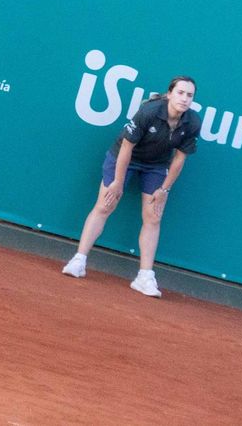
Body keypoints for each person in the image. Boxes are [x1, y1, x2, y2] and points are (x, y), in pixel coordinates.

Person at [61, 76, 200, 299]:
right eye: (181, 93)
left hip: (155, 166)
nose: (184, 99)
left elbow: (179, 160)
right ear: (170, 93)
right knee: (106, 205)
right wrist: (117, 181)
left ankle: (144, 277)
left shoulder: (192, 122)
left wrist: (164, 190)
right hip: (124, 158)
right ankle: (79, 260)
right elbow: (126, 146)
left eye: (189, 95)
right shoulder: (150, 112)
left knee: (153, 216)